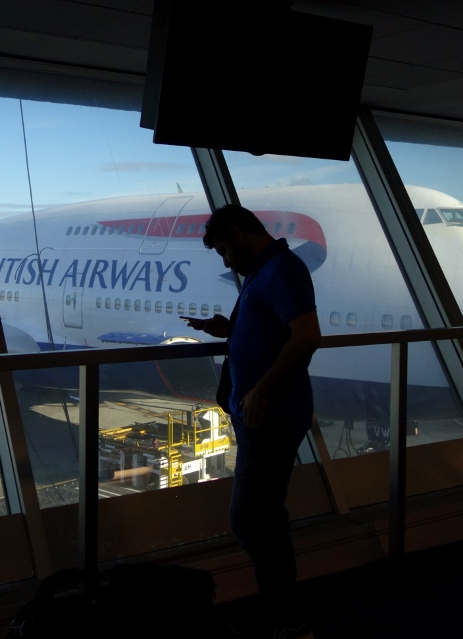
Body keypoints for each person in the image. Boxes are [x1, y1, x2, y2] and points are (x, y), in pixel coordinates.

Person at [185, 204, 320, 639]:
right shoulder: (267, 271)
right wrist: (231, 328)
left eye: (224, 249)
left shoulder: (282, 270)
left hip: (272, 415)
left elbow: (306, 335)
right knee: (267, 517)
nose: (226, 260)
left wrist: (261, 389)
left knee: (248, 518)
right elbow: (273, 328)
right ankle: (284, 614)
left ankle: (285, 618)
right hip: (264, 415)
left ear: (240, 234)